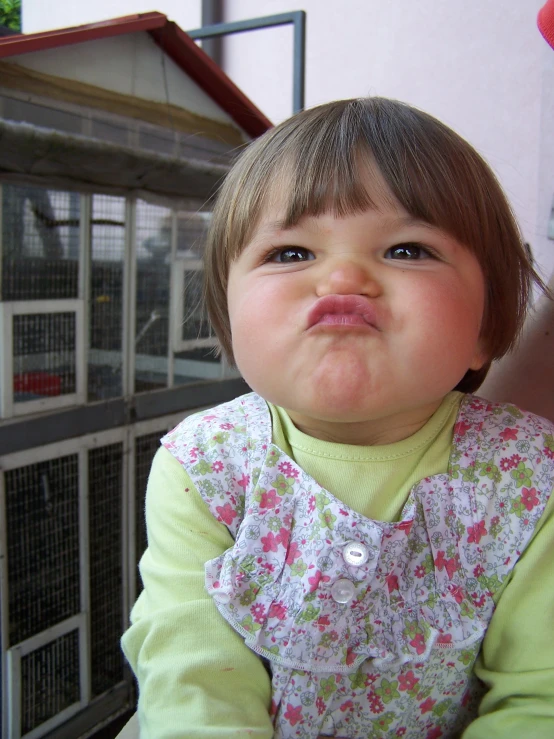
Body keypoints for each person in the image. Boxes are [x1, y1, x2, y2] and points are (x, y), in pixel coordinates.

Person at [121, 96, 554, 738]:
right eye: (291, 253)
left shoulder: (529, 478)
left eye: (408, 250)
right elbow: (193, 682)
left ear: (485, 329)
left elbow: (538, 700)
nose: (344, 276)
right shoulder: (203, 465)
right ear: (230, 318)